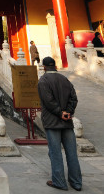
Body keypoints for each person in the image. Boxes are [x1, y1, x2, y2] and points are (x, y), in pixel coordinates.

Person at [37, 57, 82, 191]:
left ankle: (59, 182)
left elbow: (48, 101)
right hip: (67, 122)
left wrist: (59, 112)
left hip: (52, 123)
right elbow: (74, 98)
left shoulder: (43, 81)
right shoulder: (65, 79)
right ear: (55, 66)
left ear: (44, 67)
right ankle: (77, 183)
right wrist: (68, 112)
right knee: (72, 153)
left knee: (55, 152)